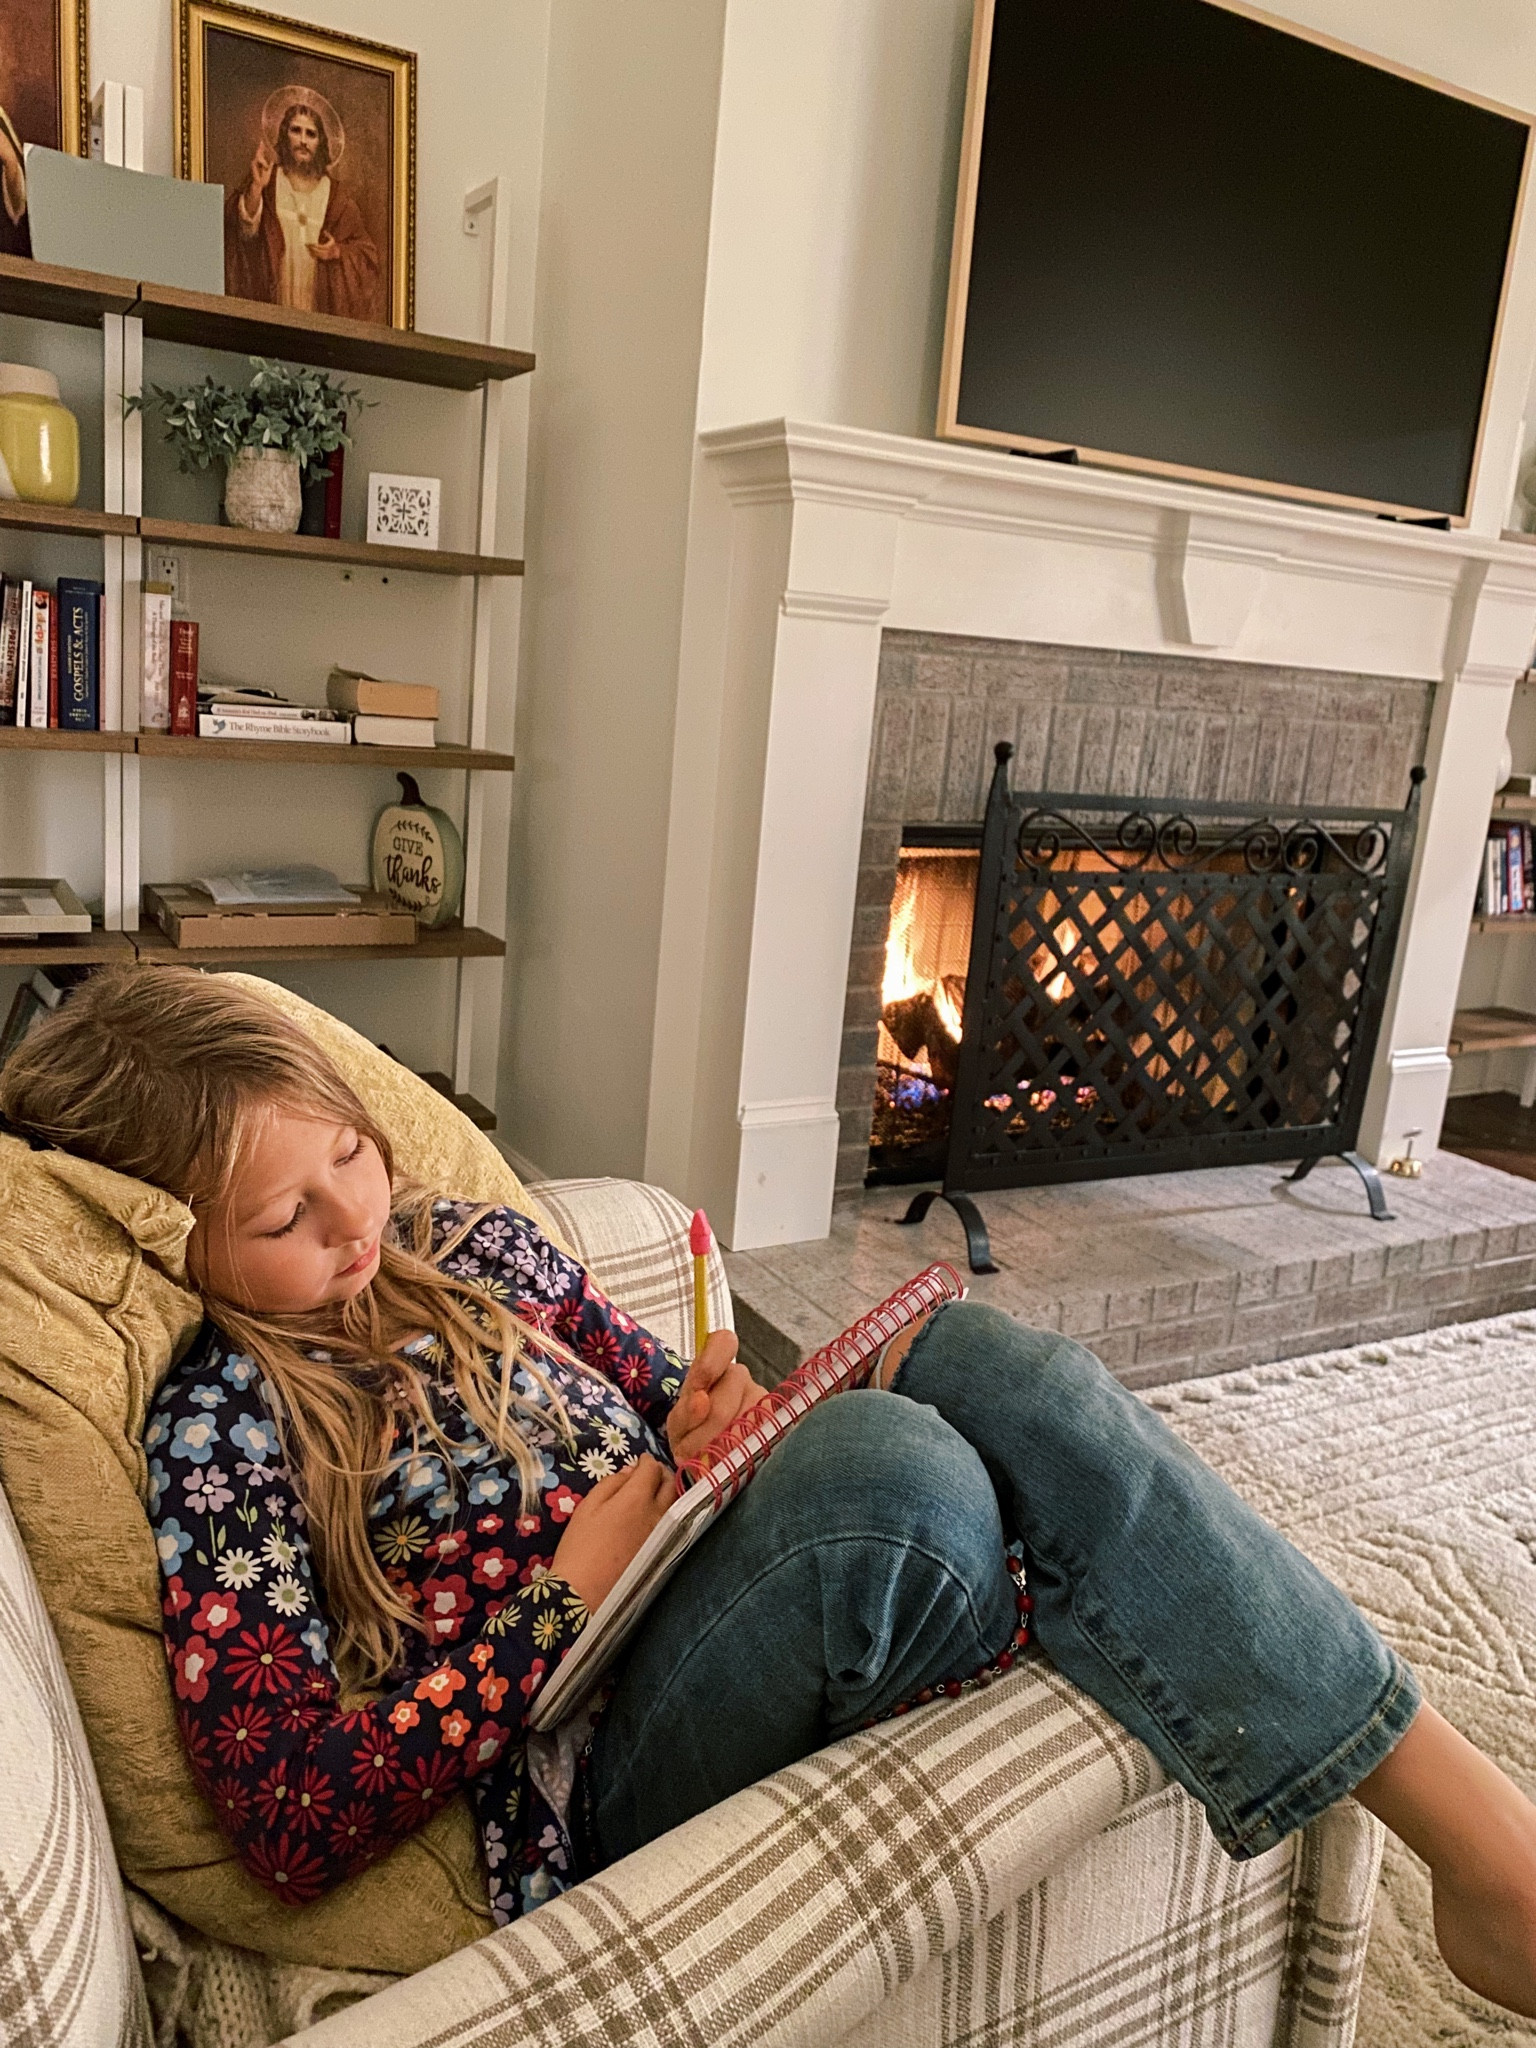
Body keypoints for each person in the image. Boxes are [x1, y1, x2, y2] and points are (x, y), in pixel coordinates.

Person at [4, 963, 1536, 2015]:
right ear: (174, 1237)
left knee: (990, 1370)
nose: (358, 1226)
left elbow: (672, 1398)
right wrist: (562, 1598)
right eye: (289, 1215)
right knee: (902, 1476)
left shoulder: (481, 1249)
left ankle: (1475, 1846)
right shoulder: (227, 1430)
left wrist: (713, 1409)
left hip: (732, 1567)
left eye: (356, 1154)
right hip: (590, 1762)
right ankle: (1124, 1628)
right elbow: (286, 1811)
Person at [226, 89, 383, 322]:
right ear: (284, 134)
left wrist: (337, 252)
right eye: (295, 130)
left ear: (320, 142)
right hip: (272, 310)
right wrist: (257, 188)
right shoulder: (268, 182)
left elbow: (367, 255)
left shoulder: (338, 198)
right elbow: (242, 236)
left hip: (319, 312)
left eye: (311, 134)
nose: (302, 140)